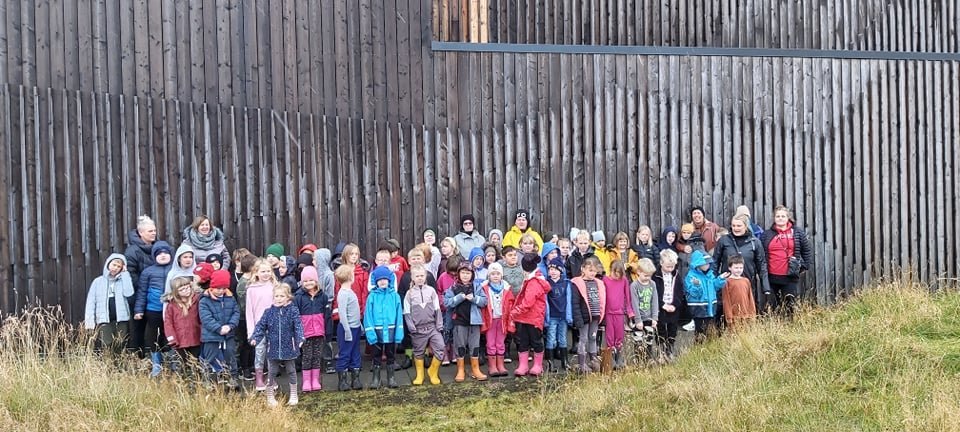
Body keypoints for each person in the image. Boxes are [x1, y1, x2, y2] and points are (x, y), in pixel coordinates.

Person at [250, 283, 305, 407]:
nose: (278, 298)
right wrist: (255, 337)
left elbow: (298, 325)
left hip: (289, 346)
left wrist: (300, 338)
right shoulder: (269, 312)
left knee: (291, 370)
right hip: (273, 347)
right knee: (272, 372)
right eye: (276, 296)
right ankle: (270, 396)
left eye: (282, 296)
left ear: (288, 297)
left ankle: (293, 394)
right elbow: (260, 326)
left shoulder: (292, 310)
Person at [762, 205, 814, 317]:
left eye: (783, 216)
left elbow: (807, 250)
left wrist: (803, 266)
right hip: (771, 276)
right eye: (777, 216)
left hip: (790, 277)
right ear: (774, 218)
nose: (780, 218)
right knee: (773, 306)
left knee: (790, 306)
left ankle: (790, 328)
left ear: (788, 218)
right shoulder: (766, 235)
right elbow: (760, 254)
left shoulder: (797, 233)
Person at [713, 214, 771, 314]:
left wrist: (765, 287)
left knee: (747, 312)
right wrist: (714, 282)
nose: (736, 228)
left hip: (747, 283)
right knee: (726, 312)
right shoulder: (724, 240)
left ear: (745, 226)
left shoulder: (755, 242)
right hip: (727, 283)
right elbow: (715, 262)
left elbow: (762, 265)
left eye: (739, 226)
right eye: (733, 225)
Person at [506, 254, 551, 377]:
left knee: (536, 341)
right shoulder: (530, 279)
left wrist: (515, 311)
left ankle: (537, 365)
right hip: (524, 318)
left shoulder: (534, 282)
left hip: (533, 318)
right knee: (523, 341)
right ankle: (523, 365)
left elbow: (527, 303)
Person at [444, 262, 488, 382]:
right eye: (463, 273)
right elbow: (446, 302)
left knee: (474, 346)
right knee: (460, 346)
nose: (465, 275)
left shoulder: (476, 287)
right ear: (458, 274)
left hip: (474, 321)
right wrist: (459, 298)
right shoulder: (453, 288)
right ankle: (460, 370)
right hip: (459, 321)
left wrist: (473, 298)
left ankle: (475, 369)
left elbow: (484, 301)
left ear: (472, 274)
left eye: (468, 273)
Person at [134, 241, 174, 377]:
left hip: (172, 310)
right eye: (159, 253)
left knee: (171, 335)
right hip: (154, 309)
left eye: (165, 253)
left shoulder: (174, 269)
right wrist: (139, 310)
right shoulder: (147, 272)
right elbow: (142, 292)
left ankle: (173, 363)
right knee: (154, 336)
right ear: (154, 256)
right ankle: (157, 365)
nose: (163, 256)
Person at [84, 254, 135, 355]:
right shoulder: (98, 282)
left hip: (121, 319)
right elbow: (91, 302)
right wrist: (90, 321)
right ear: (108, 264)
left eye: (119, 266)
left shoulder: (124, 280)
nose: (115, 268)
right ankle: (108, 366)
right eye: (114, 264)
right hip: (104, 319)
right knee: (107, 343)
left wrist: (125, 274)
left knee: (120, 343)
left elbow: (129, 293)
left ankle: (119, 367)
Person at [403, 265, 446, 385]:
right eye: (417, 276)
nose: (420, 278)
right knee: (418, 352)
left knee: (440, 347)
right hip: (418, 329)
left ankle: (433, 370)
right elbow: (406, 312)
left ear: (425, 276)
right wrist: (411, 327)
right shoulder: (409, 294)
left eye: (422, 275)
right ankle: (420, 374)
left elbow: (437, 308)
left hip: (432, 327)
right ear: (412, 278)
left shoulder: (431, 291)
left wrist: (439, 324)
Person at [198, 270, 240, 388]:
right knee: (210, 357)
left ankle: (231, 379)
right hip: (211, 336)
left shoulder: (230, 298)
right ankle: (207, 379)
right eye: (218, 288)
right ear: (212, 286)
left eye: (223, 288)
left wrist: (230, 326)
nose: (221, 291)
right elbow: (206, 318)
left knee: (230, 356)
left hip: (228, 334)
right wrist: (218, 328)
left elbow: (236, 313)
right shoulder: (204, 301)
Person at [364, 266, 404, 389]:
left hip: (391, 331)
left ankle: (391, 378)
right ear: (375, 281)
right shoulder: (372, 297)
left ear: (389, 280)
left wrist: (399, 333)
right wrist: (370, 333)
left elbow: (399, 316)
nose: (382, 281)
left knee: (391, 355)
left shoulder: (395, 296)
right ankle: (376, 379)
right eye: (380, 279)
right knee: (376, 355)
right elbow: (368, 316)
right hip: (377, 331)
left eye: (385, 279)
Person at [125, 215, 160, 353]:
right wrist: (144, 289)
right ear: (140, 233)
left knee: (155, 329)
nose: (154, 233)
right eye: (150, 231)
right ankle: (137, 358)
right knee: (137, 329)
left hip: (155, 296)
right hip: (138, 295)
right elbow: (130, 274)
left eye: (154, 230)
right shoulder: (132, 251)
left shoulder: (158, 248)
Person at [245, 259, 278, 391]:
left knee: (272, 353)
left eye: (268, 271)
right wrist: (251, 332)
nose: (266, 274)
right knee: (259, 352)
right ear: (256, 273)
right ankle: (259, 377)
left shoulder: (275, 286)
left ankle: (272, 377)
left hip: (274, 326)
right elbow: (249, 311)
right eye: (263, 271)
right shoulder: (251, 289)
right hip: (259, 327)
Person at [295, 266, 328, 393]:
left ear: (316, 281)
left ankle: (315, 379)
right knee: (307, 356)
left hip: (319, 332)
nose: (308, 283)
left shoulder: (322, 296)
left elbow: (326, 315)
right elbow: (295, 316)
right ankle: (307, 380)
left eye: (311, 280)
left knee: (317, 355)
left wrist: (327, 331)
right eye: (305, 281)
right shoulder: (298, 297)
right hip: (306, 333)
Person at [570, 257, 606, 373]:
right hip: (584, 317)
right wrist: (578, 319)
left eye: (595, 271)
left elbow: (602, 300)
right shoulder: (577, 283)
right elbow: (575, 303)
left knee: (593, 338)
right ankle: (582, 363)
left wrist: (602, 317)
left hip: (595, 316)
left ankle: (594, 361)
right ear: (583, 269)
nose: (592, 273)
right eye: (590, 270)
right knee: (583, 338)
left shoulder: (599, 283)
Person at [684, 251, 728, 342]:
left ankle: (709, 350)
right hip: (699, 309)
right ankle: (699, 351)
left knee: (710, 332)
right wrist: (697, 286)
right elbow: (694, 294)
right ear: (697, 264)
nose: (707, 265)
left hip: (711, 307)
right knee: (700, 332)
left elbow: (714, 287)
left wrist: (720, 279)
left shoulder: (710, 274)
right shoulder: (691, 276)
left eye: (708, 263)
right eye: (704, 263)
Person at [162, 276, 202, 371]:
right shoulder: (171, 305)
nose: (186, 291)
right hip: (179, 342)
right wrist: (172, 339)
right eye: (182, 289)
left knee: (195, 366)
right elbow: (168, 324)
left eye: (188, 287)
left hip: (196, 339)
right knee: (180, 366)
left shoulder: (198, 300)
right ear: (176, 292)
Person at [334, 265, 363, 391]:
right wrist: (347, 330)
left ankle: (355, 379)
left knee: (356, 352)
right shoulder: (343, 294)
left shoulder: (350, 292)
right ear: (350, 277)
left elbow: (355, 311)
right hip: (348, 329)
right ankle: (342, 381)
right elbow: (343, 314)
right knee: (345, 353)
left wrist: (360, 325)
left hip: (355, 327)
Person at [481, 262, 513, 377]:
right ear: (489, 275)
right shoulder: (484, 288)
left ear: (502, 275)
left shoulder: (506, 288)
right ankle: (492, 366)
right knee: (490, 343)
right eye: (492, 274)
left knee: (500, 342)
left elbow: (510, 304)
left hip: (502, 319)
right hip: (490, 319)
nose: (495, 276)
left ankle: (500, 365)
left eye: (498, 274)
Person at [653, 249, 685, 359]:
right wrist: (662, 305)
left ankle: (670, 348)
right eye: (668, 267)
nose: (670, 269)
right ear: (661, 263)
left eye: (672, 267)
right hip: (661, 307)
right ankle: (661, 349)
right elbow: (655, 292)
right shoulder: (655, 276)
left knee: (672, 328)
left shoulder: (676, 276)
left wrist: (675, 305)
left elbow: (680, 292)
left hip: (673, 307)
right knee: (660, 328)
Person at [603, 260, 634, 370]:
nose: (616, 276)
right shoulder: (605, 280)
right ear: (610, 270)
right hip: (608, 313)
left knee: (620, 335)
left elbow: (627, 296)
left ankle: (618, 357)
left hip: (620, 313)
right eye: (614, 273)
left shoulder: (624, 280)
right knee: (610, 336)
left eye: (619, 274)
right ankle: (610, 359)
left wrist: (629, 311)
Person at [543, 257, 572, 373]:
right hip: (552, 316)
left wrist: (569, 316)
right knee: (550, 339)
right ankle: (550, 364)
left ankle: (565, 362)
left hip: (563, 316)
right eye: (550, 269)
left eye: (555, 269)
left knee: (563, 339)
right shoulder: (546, 283)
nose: (552, 272)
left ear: (561, 270)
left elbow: (569, 300)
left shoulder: (566, 283)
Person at [628, 259, 659, 363]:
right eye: (646, 275)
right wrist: (638, 320)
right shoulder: (634, 286)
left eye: (650, 275)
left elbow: (655, 301)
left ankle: (648, 359)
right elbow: (634, 303)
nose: (648, 278)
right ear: (639, 272)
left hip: (649, 317)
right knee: (638, 340)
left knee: (649, 339)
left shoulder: (652, 284)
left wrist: (655, 318)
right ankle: (639, 360)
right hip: (639, 318)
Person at [722, 256, 757, 329]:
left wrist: (752, 314)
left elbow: (750, 298)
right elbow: (726, 300)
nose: (739, 270)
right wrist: (729, 316)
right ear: (730, 268)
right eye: (736, 268)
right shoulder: (727, 282)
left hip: (746, 315)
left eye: (741, 268)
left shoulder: (746, 281)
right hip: (734, 316)